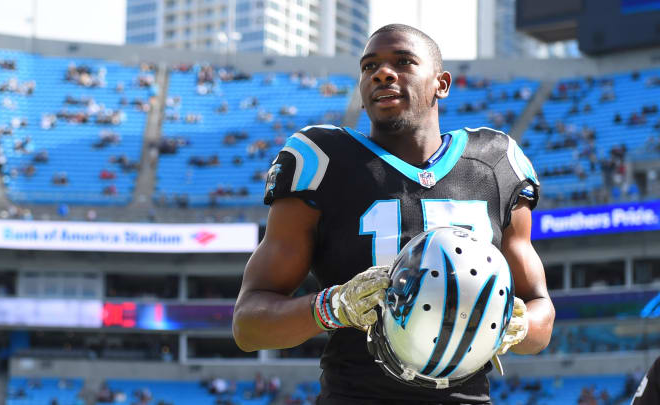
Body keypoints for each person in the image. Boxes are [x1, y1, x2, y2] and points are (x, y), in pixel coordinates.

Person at [232, 24, 554, 404]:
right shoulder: (322, 161)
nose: (383, 73)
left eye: (403, 62)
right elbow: (249, 325)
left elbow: (540, 312)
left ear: (441, 83)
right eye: (370, 67)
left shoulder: (495, 164)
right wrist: (332, 307)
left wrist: (517, 326)